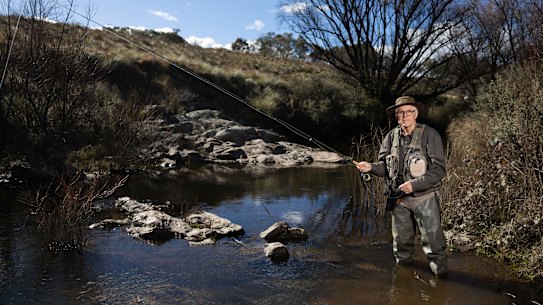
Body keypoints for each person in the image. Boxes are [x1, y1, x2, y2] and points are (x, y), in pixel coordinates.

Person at [356, 96, 448, 276]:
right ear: (396, 116)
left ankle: (442, 281)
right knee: (401, 247)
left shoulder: (430, 134)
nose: (404, 115)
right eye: (400, 113)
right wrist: (371, 167)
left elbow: (439, 170)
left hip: (424, 198)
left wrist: (414, 185)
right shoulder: (390, 137)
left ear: (416, 114)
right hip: (398, 200)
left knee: (434, 245)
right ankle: (404, 283)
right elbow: (384, 167)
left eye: (408, 112)